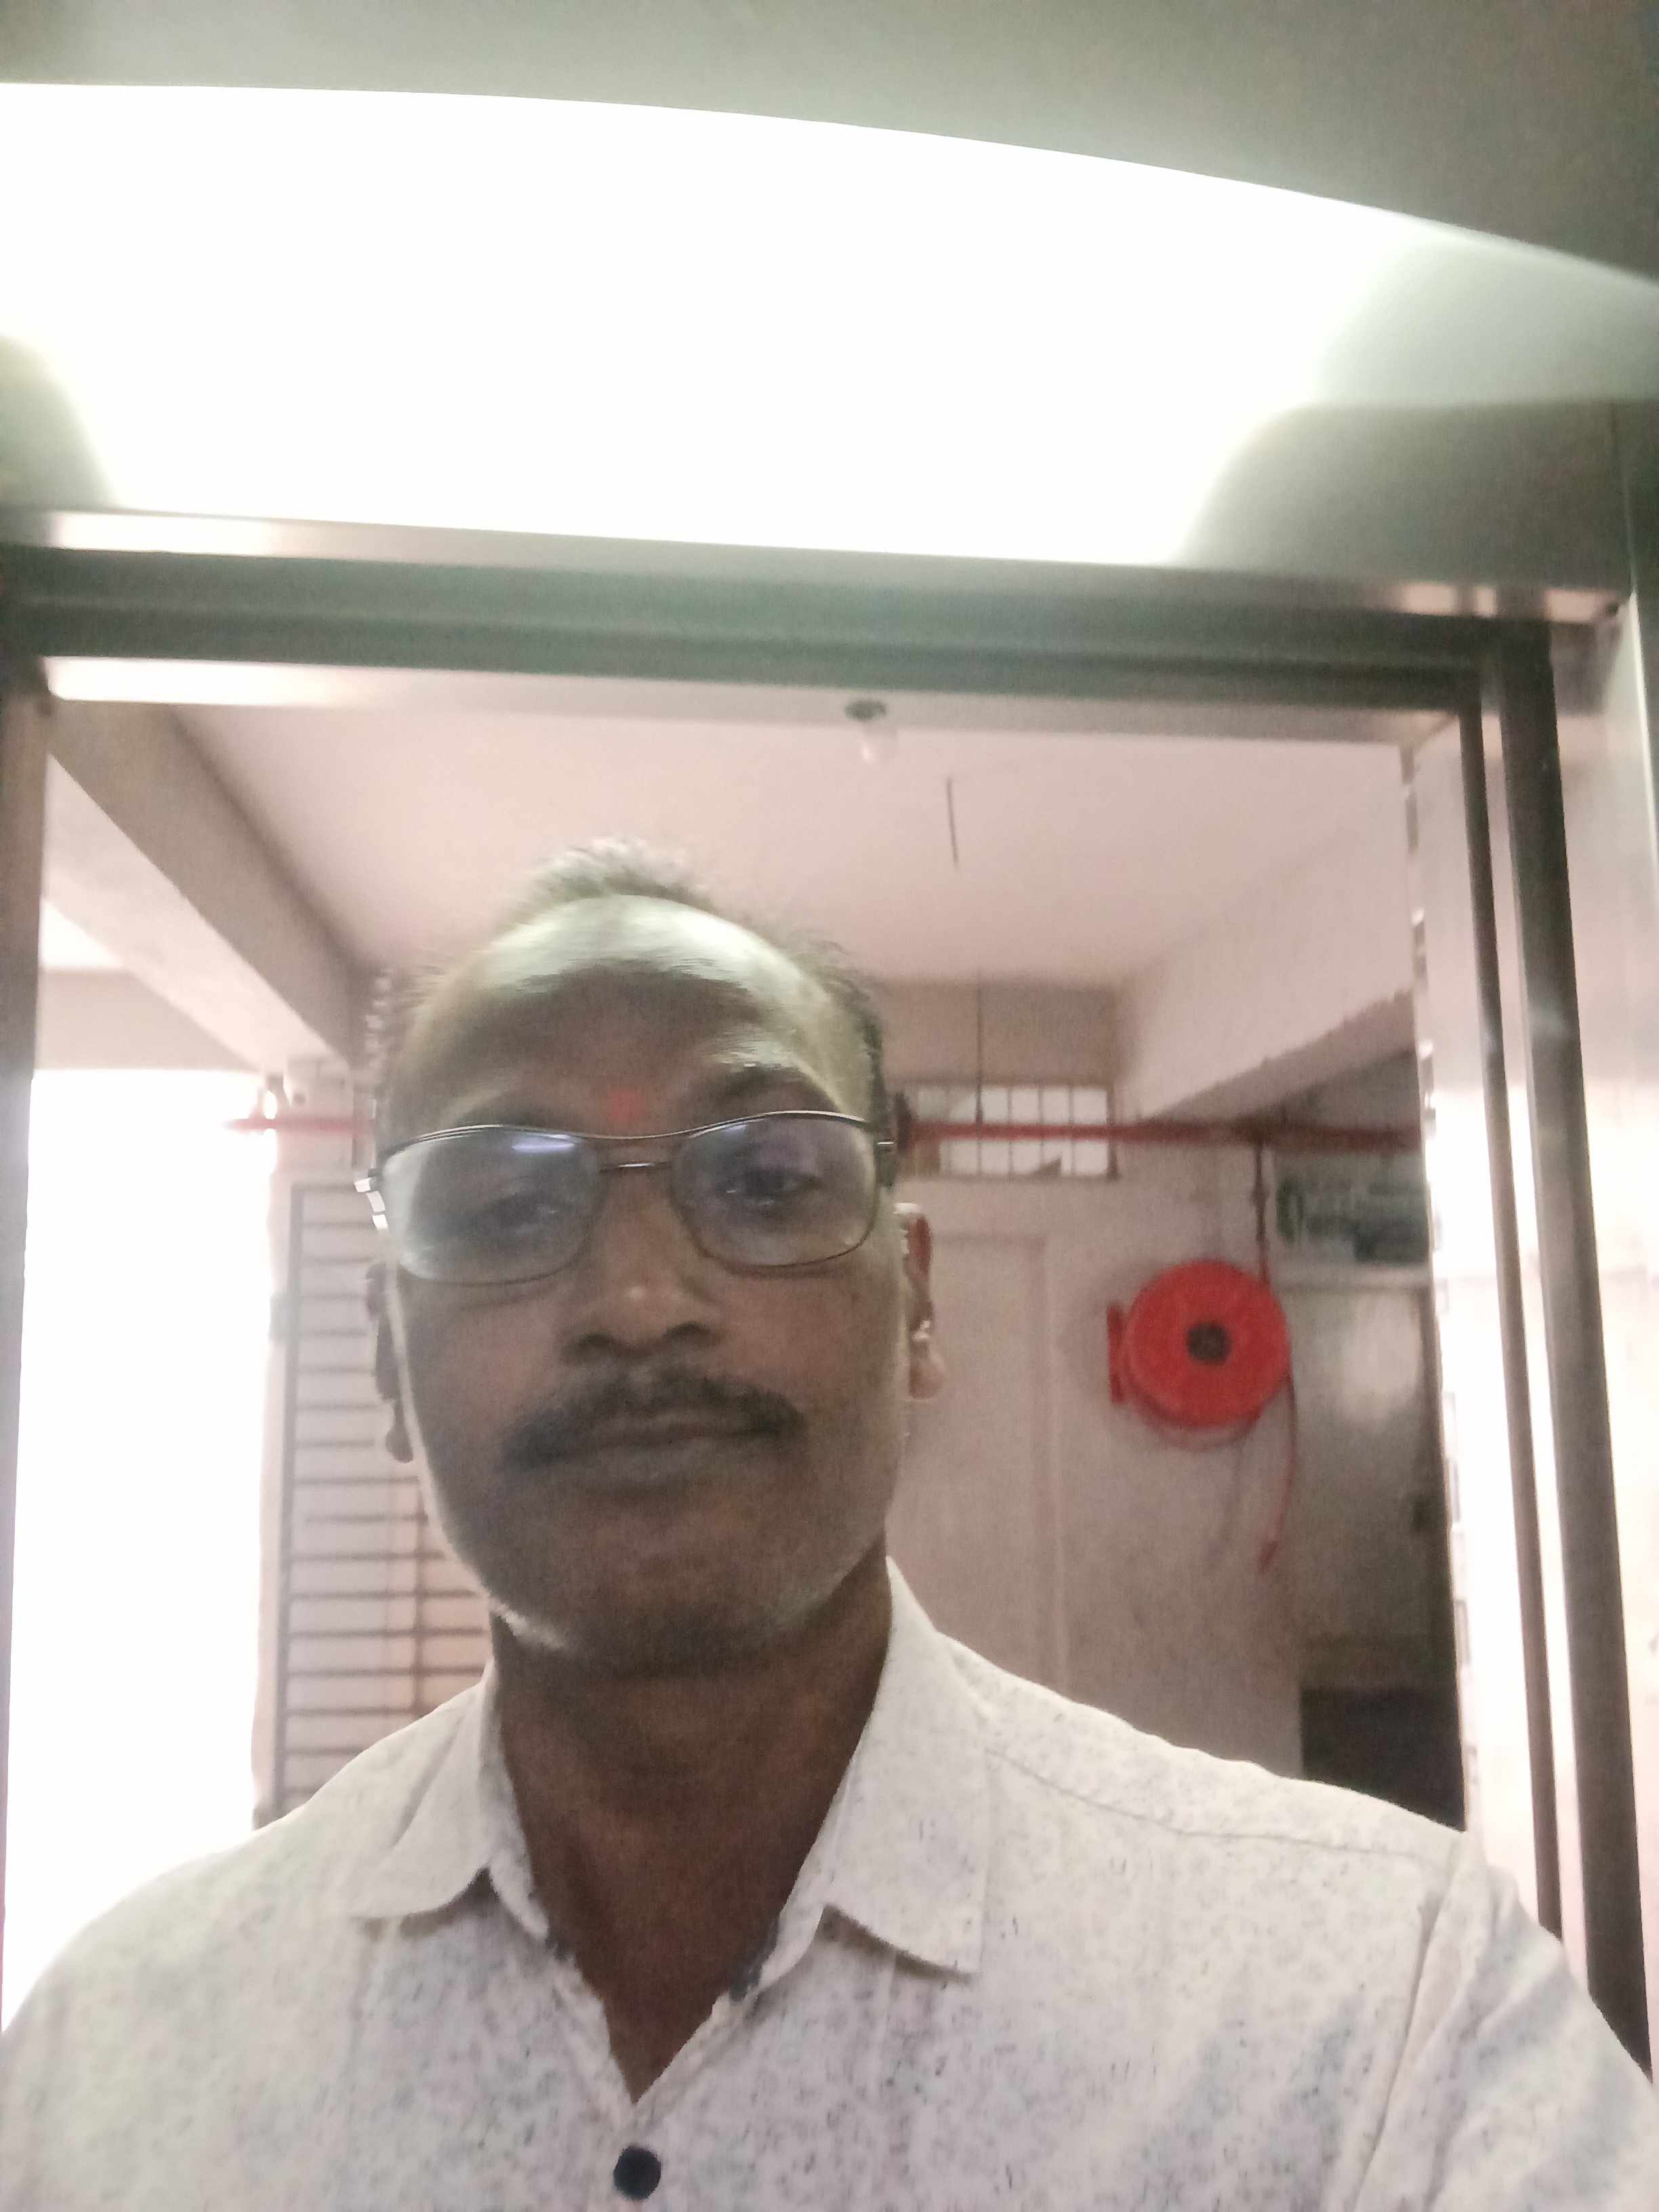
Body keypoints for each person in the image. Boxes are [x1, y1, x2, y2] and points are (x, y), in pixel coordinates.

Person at [2, 842, 1654, 2209]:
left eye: (764, 1181)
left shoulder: (1373, 2021)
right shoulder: (116, 2069)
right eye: (504, 1204)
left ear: (915, 1304)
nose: (639, 1301)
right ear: (384, 1358)